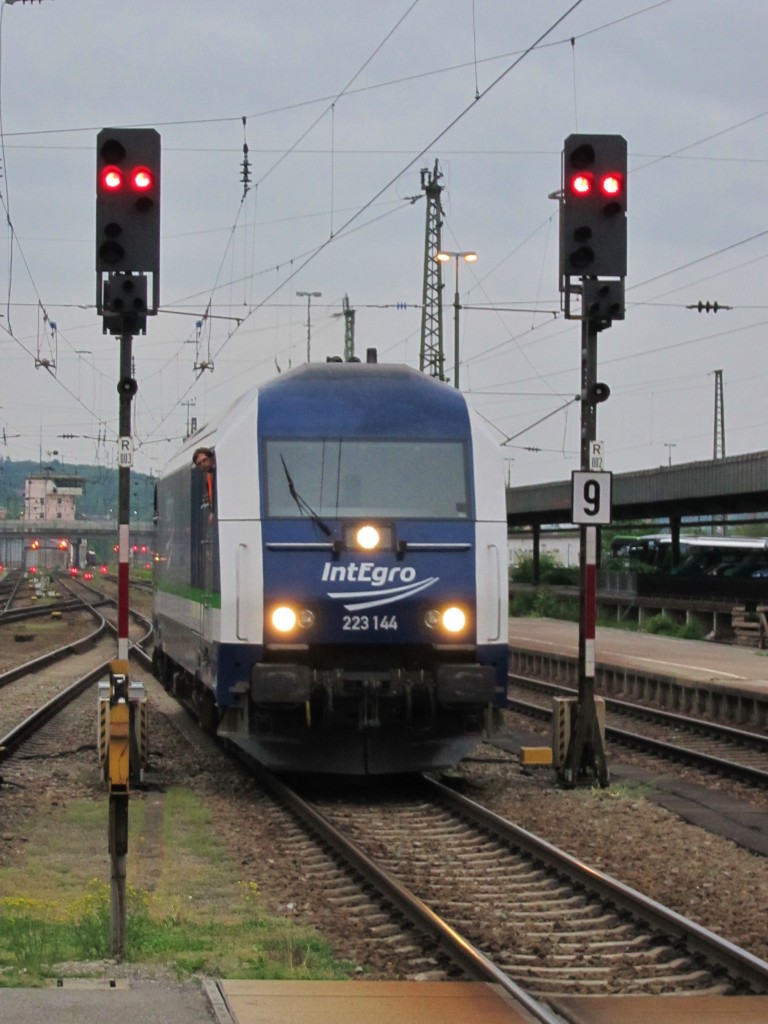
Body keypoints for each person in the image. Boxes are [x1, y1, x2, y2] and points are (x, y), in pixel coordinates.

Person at [193, 446, 216, 520]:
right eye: (199, 464)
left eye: (204, 460)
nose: (202, 464)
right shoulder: (208, 479)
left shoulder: (218, 475)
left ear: (211, 458)